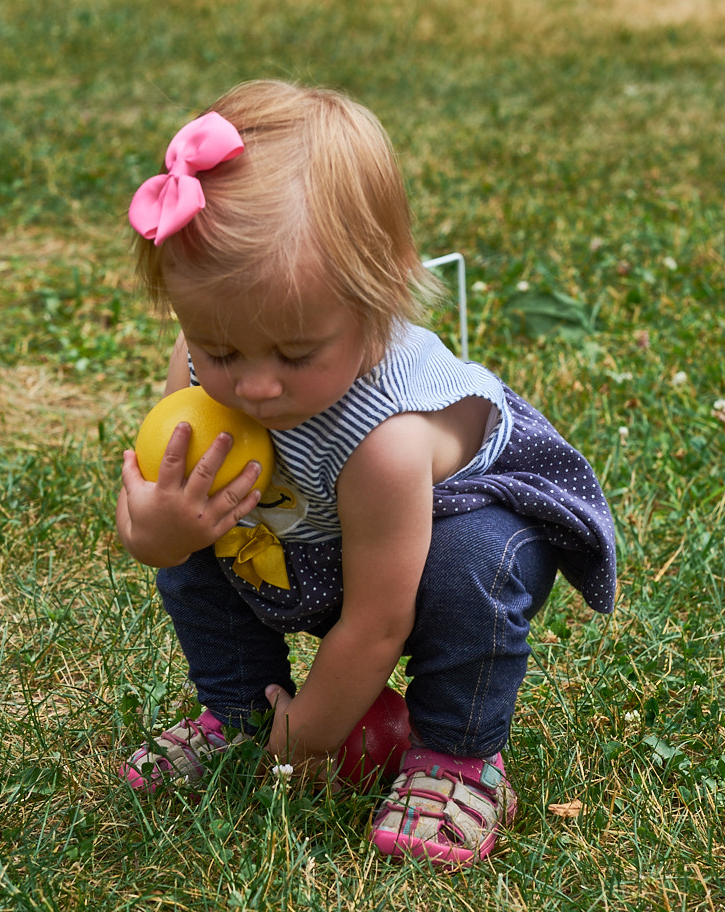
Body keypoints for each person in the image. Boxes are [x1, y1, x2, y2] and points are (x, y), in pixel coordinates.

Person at [117, 79, 616, 869]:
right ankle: (239, 712)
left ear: (377, 303)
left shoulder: (385, 438)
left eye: (295, 354)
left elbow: (380, 622)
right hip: (318, 531)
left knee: (470, 569)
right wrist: (161, 534)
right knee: (200, 513)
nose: (252, 385)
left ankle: (456, 758)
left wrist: (310, 733)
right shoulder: (201, 366)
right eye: (220, 350)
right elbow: (151, 525)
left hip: (449, 519)